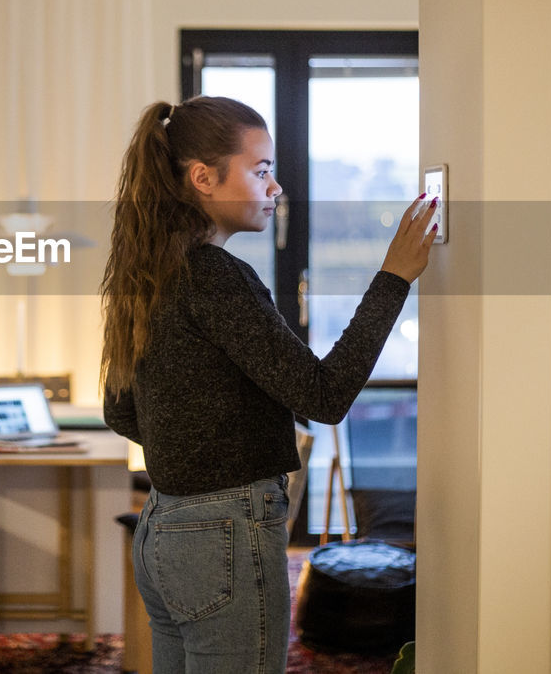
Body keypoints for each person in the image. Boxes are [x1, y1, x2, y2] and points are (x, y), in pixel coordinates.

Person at [100, 96, 435, 674]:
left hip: (163, 532)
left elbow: (120, 411)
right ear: (204, 178)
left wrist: (210, 427)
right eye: (260, 171)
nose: (275, 188)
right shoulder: (216, 276)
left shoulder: (149, 270)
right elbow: (324, 396)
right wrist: (394, 279)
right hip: (223, 537)